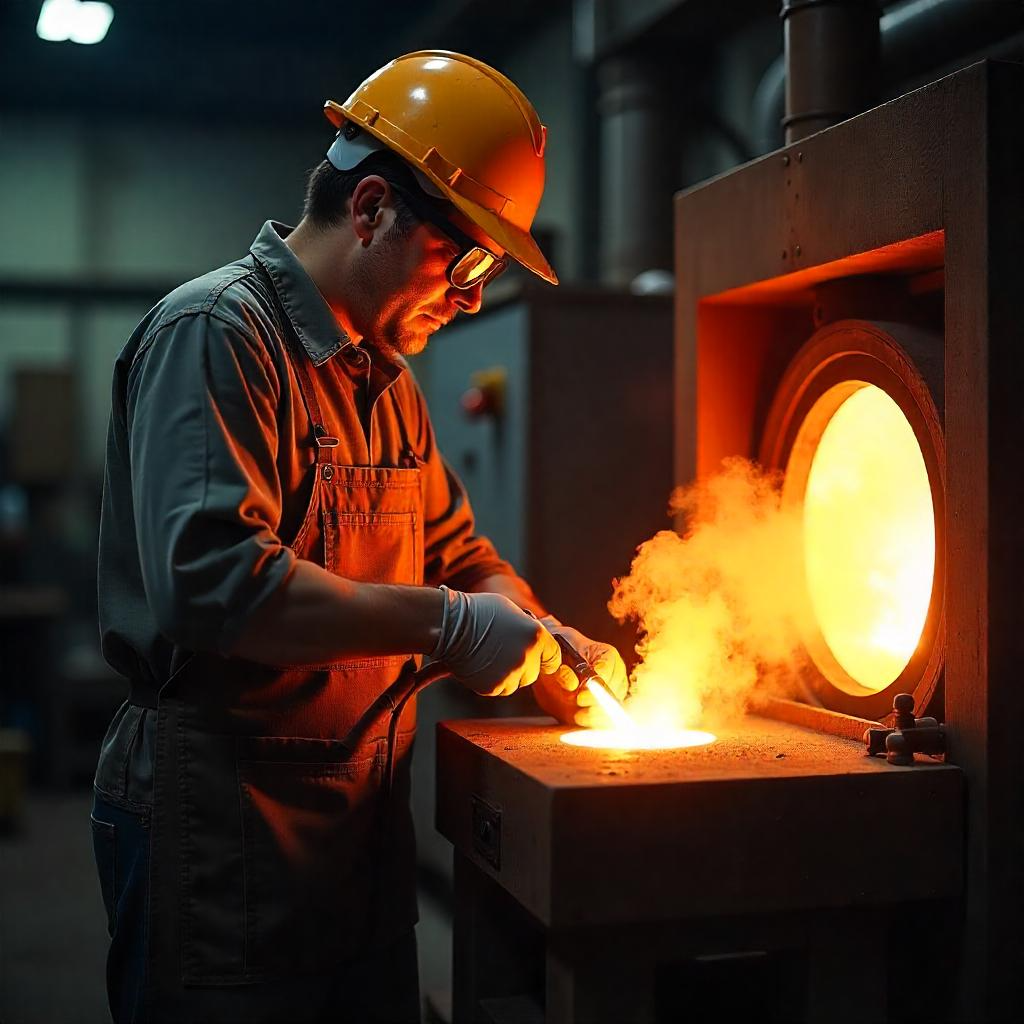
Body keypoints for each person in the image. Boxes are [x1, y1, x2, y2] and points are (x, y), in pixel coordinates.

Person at [90, 50, 627, 1024]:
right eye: (466, 261)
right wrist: (452, 628)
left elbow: (461, 555)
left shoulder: (387, 385)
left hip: (354, 852)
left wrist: (550, 643)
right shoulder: (219, 334)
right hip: (223, 844)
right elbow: (214, 585)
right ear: (373, 206)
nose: (472, 297)